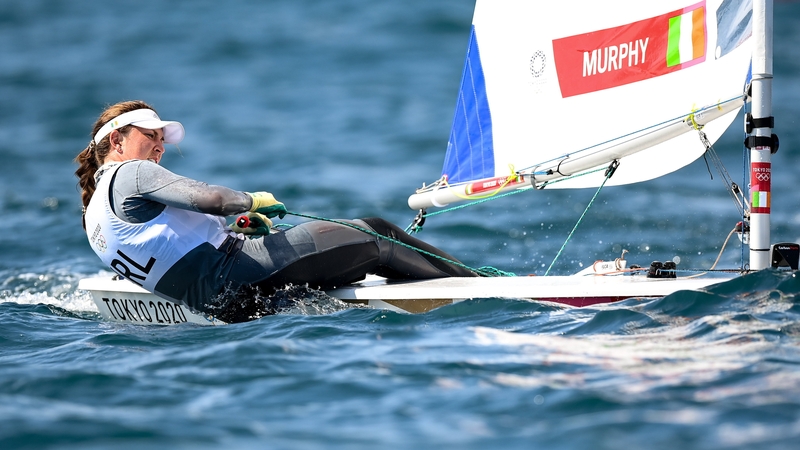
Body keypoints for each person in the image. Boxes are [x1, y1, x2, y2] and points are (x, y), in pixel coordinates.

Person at [75, 100, 478, 322]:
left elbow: (166, 249)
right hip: (243, 273)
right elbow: (212, 199)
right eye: (151, 136)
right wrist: (252, 201)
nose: (159, 147)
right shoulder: (130, 173)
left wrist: (240, 227)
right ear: (117, 140)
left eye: (163, 139)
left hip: (222, 305)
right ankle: (479, 290)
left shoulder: (92, 215)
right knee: (377, 234)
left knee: (362, 241)